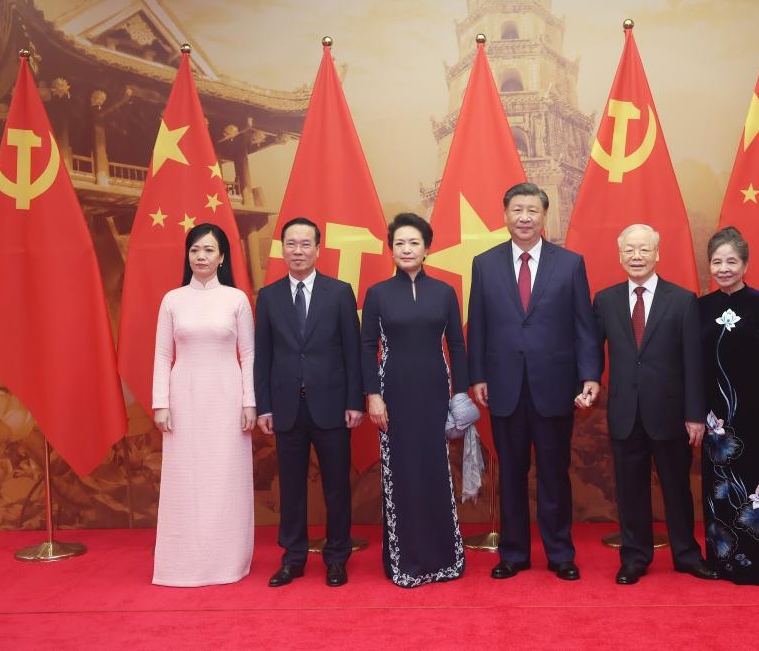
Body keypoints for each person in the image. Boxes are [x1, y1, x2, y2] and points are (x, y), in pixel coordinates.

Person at [467, 182, 601, 581]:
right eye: (517, 210)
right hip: (504, 386)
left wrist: (589, 374)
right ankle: (513, 553)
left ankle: (560, 553)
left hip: (555, 385)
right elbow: (479, 326)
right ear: (505, 215)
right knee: (510, 473)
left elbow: (584, 328)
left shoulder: (570, 263)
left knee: (554, 473)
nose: (524, 217)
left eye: (532, 211)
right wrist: (477, 376)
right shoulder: (485, 263)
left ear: (544, 216)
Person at [592, 224, 719, 585]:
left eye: (644, 250)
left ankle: (686, 555)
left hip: (671, 413)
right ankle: (634, 557)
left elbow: (694, 363)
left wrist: (695, 415)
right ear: (620, 255)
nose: (636, 256)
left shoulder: (681, 300)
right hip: (625, 412)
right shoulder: (605, 300)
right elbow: (591, 352)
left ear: (657, 254)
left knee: (677, 488)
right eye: (629, 250)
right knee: (630, 491)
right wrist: (586, 382)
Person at [254, 217, 363, 588]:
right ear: (281, 248)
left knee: (336, 486)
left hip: (332, 405)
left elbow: (352, 352)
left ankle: (336, 558)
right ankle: (293, 558)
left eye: (305, 244)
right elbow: (263, 357)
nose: (297, 251)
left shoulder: (339, 292)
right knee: (292, 488)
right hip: (286, 407)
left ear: (318, 249)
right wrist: (264, 406)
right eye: (291, 244)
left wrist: (355, 401)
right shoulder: (268, 297)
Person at [362, 212, 468, 587]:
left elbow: (456, 344)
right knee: (401, 473)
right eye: (399, 243)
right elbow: (366, 348)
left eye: (414, 243)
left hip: (435, 392)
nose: (406, 249)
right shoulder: (377, 294)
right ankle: (404, 561)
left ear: (427, 249)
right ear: (390, 249)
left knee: (436, 472)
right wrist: (373, 396)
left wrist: (461, 396)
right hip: (394, 395)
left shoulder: (444, 292)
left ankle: (444, 558)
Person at [152, 223, 256, 587]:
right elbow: (164, 354)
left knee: (225, 476)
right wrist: (160, 403)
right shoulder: (172, 300)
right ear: (188, 255)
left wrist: (250, 402)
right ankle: (183, 559)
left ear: (222, 257)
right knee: (186, 477)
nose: (201, 256)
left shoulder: (236, 299)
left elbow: (248, 353)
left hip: (227, 397)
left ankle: (229, 559)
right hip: (184, 397)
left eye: (209, 250)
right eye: (195, 250)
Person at [699, 226, 759, 585]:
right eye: (717, 261)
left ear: (745, 264)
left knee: (758, 488)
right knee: (720, 488)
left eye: (731, 261)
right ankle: (723, 563)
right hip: (717, 421)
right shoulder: (701, 307)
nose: (724, 268)